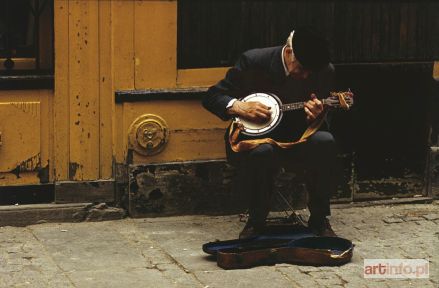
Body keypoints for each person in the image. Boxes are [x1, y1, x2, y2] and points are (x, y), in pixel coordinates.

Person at [202, 27, 339, 239]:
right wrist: (239, 107)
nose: (305, 75)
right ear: (289, 51)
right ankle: (256, 222)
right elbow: (212, 97)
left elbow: (325, 118)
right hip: (255, 140)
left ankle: (320, 220)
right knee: (262, 152)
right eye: (302, 69)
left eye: (310, 72)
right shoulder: (253, 61)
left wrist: (316, 115)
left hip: (298, 140)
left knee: (325, 141)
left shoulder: (324, 70)